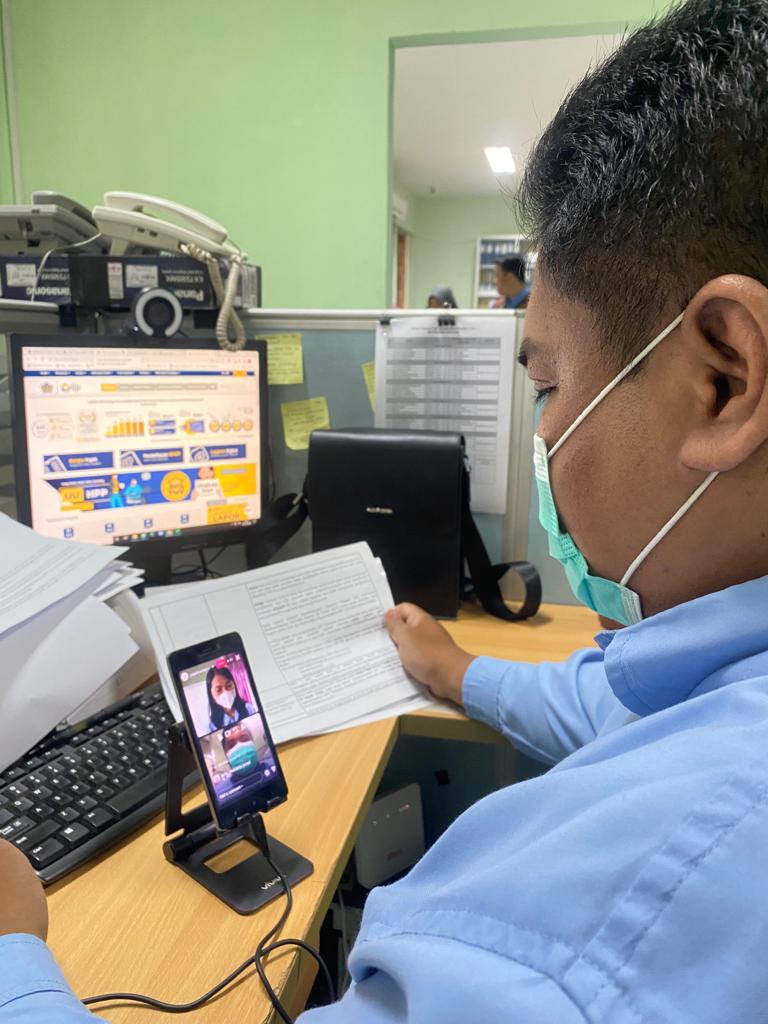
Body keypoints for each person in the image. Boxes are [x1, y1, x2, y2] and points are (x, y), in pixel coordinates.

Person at [3, 1, 768, 1020]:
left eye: (546, 386)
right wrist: (456, 669)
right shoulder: (724, 686)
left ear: (724, 378)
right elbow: (615, 703)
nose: (543, 435)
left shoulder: (584, 954)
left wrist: (12, 950)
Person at [206, 664, 256, 733]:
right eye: (218, 690)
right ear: (211, 695)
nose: (225, 692)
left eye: (229, 685)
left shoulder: (248, 709)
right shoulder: (212, 726)